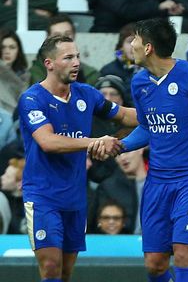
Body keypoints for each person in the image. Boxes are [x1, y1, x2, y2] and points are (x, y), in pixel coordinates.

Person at [94, 17, 188, 282]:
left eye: (134, 39)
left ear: (148, 48)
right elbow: (148, 127)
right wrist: (119, 146)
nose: (129, 45)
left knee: (183, 253)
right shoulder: (140, 82)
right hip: (157, 181)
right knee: (155, 264)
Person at [17, 34, 135, 282]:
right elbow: (48, 142)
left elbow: (123, 115)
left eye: (78, 56)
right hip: (43, 196)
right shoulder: (32, 99)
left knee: (65, 273)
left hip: (75, 197)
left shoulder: (86, 94)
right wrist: (94, 141)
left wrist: (165, 112)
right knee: (50, 266)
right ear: (49, 63)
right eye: (68, 57)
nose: (76, 63)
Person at [28, 15, 101, 86]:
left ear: (74, 35)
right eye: (57, 35)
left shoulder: (90, 75)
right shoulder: (34, 74)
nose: (63, 39)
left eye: (67, 34)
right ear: (47, 37)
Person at [89, 148, 146, 234]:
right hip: (122, 243)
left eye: (127, 152)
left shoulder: (161, 184)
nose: (122, 158)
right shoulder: (108, 188)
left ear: (141, 149)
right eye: (117, 154)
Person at [98, 23, 142, 93]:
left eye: (139, 41)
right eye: (130, 41)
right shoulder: (109, 71)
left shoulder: (153, 70)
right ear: (121, 46)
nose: (134, 46)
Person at [0, 30, 28, 112]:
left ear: (18, 51)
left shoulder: (25, 75)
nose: (7, 52)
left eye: (12, 47)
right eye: (3, 47)